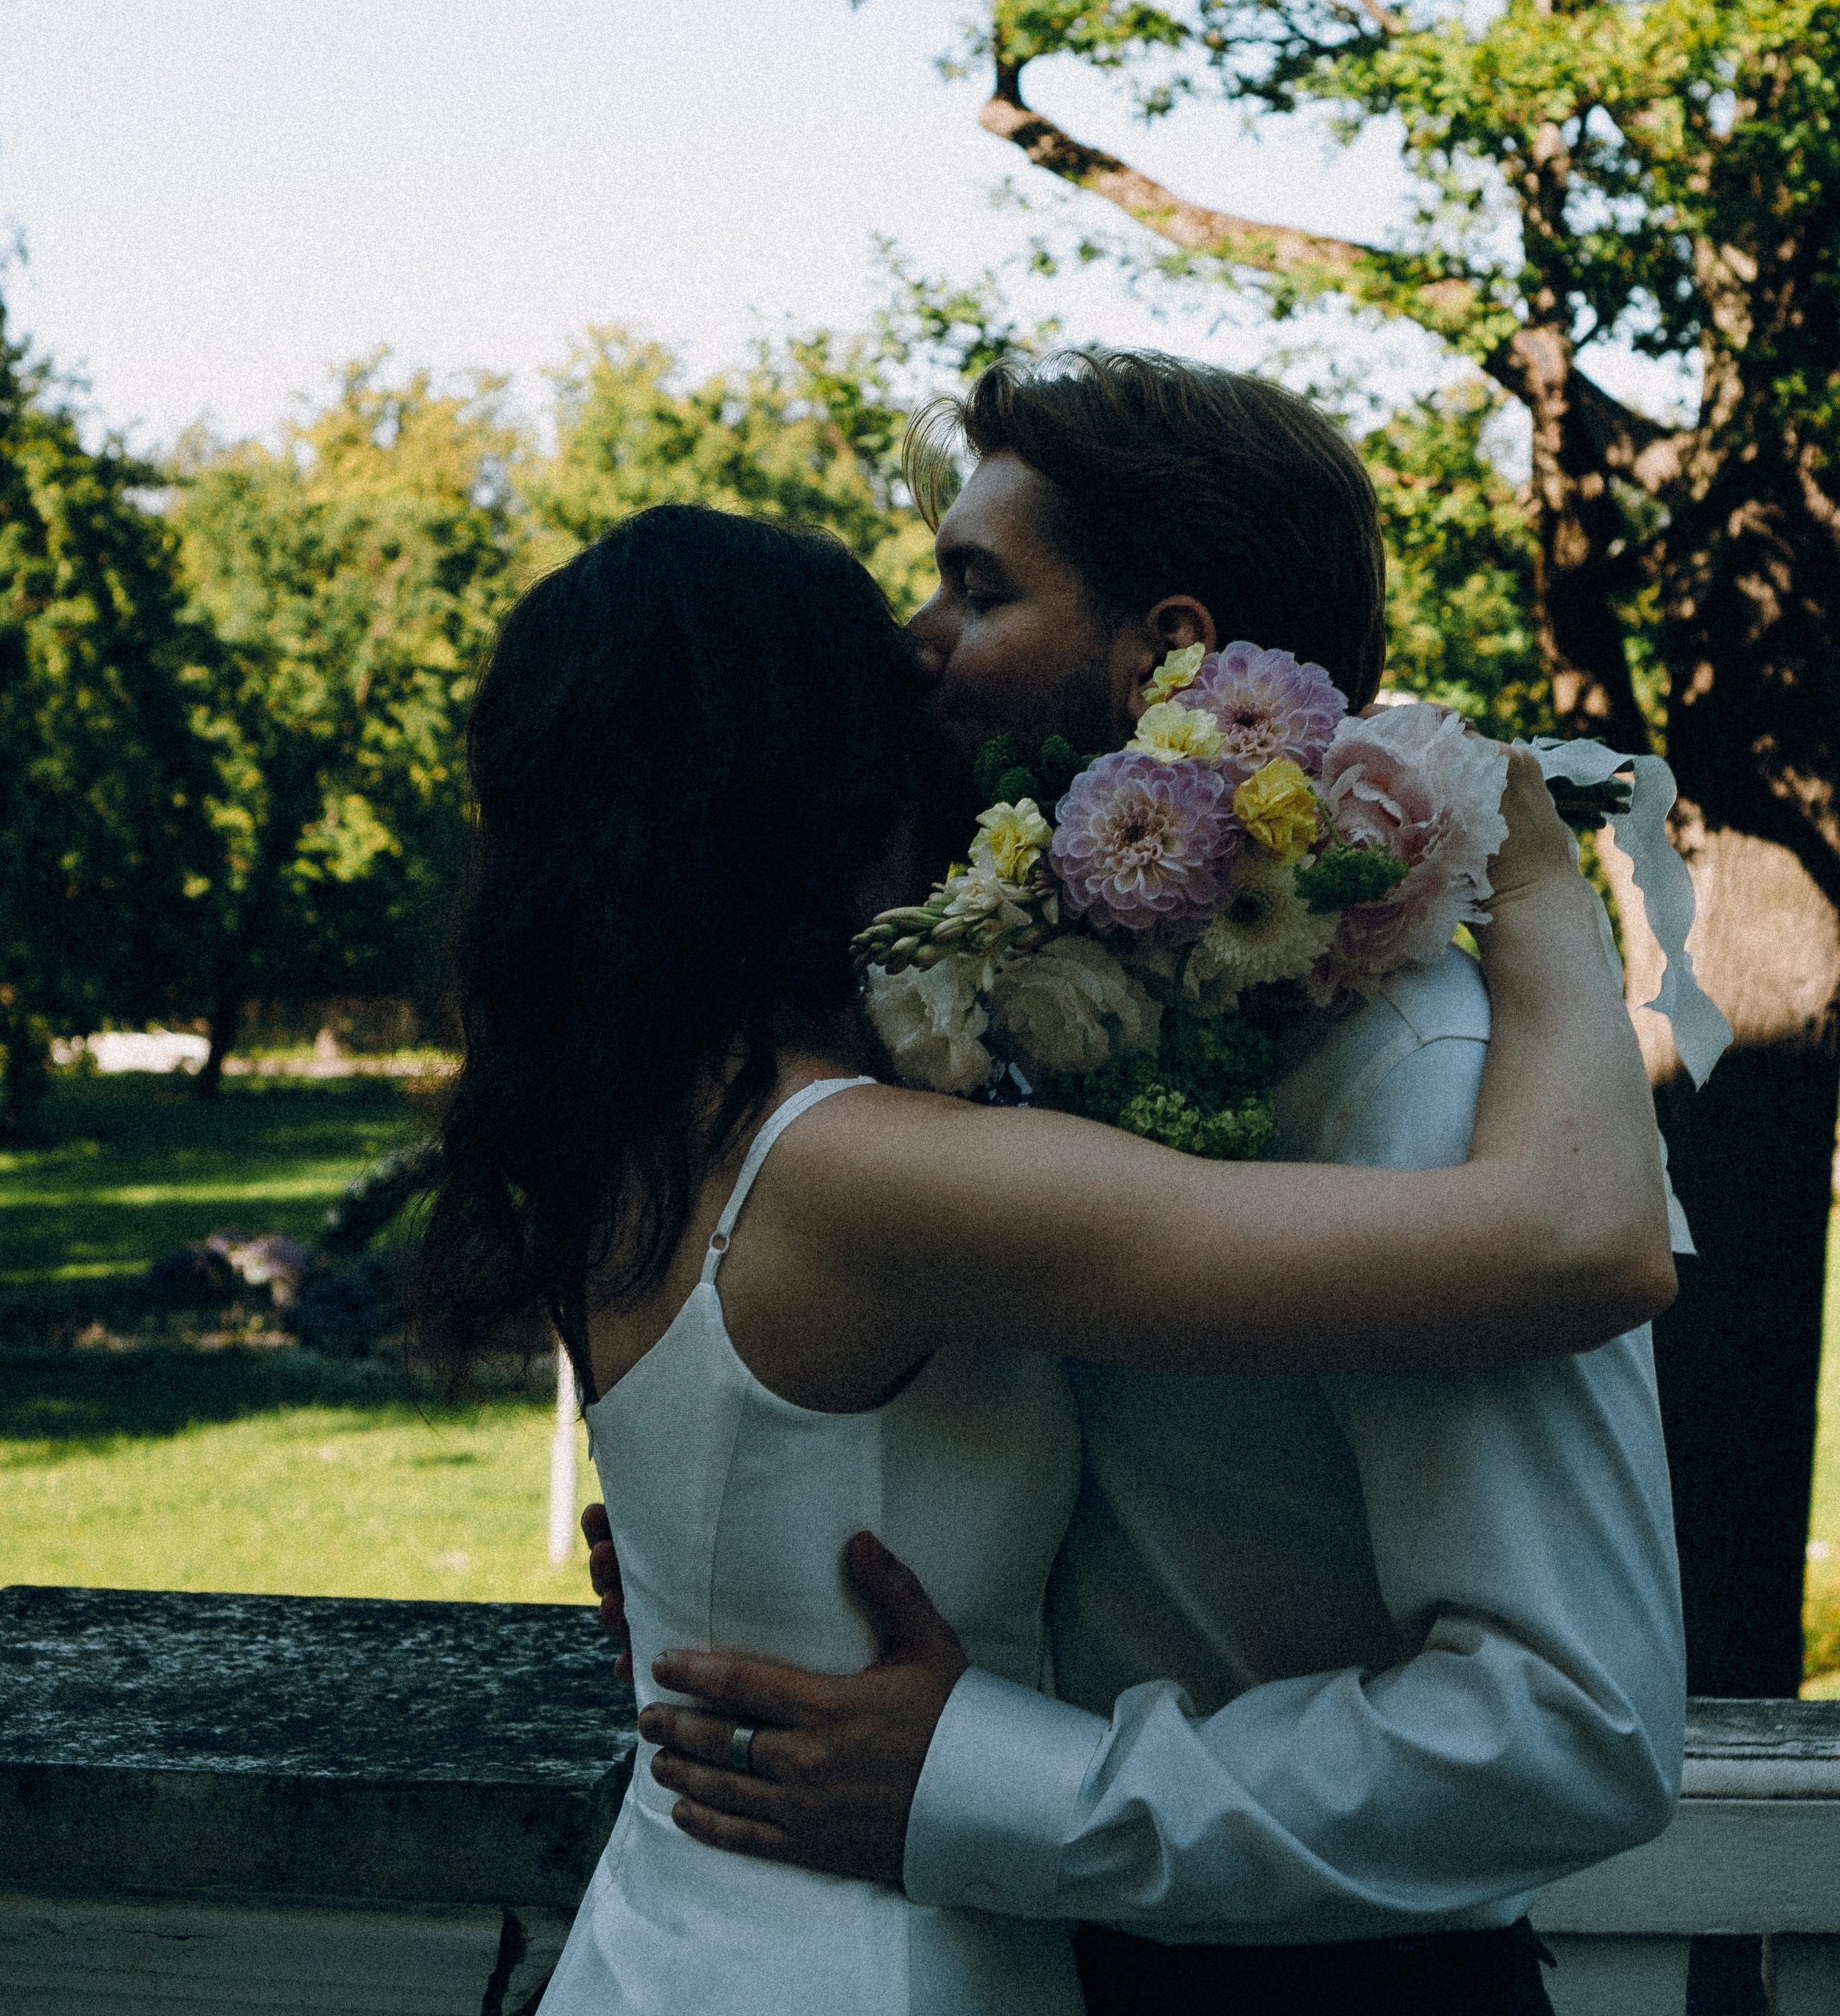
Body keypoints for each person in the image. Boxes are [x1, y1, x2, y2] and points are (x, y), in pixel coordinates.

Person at [595, 354, 1689, 2016]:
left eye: (975, 585)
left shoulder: (1419, 1087)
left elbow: (1572, 1729)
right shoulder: (1026, 1028)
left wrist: (991, 1787)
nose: (913, 642)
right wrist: (757, 1551)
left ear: (1169, 651)